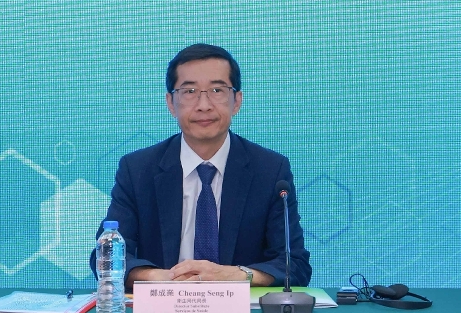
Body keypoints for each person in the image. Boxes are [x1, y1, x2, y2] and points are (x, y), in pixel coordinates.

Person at [94, 44, 311, 288]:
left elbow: (294, 265)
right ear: (171, 103)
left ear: (237, 101)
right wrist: (162, 278)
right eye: (189, 91)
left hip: (238, 310)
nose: (204, 105)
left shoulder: (270, 170)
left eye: (217, 90)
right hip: (164, 305)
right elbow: (106, 255)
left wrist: (237, 275)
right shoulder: (137, 170)